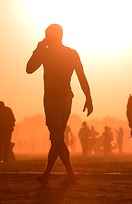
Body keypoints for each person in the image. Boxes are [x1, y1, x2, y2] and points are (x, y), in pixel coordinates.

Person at [26, 23, 93, 185]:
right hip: (66, 100)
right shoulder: (71, 53)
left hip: (52, 100)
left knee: (56, 139)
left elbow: (29, 68)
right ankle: (48, 175)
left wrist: (38, 48)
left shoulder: (46, 53)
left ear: (50, 36)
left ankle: (68, 174)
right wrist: (88, 98)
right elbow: (81, 76)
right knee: (57, 139)